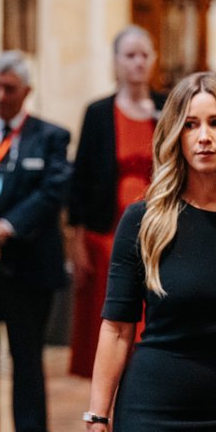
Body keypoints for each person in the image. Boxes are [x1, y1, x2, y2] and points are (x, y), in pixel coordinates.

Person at [83, 72, 216, 432]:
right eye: (190, 124)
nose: (204, 137)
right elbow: (116, 328)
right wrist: (97, 427)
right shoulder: (143, 222)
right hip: (155, 420)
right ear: (174, 135)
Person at [68, 25, 166, 377]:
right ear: (116, 62)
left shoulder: (165, 107)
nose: (138, 63)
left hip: (157, 229)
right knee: (108, 320)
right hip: (106, 233)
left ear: (154, 59)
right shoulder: (98, 112)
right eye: (130, 55)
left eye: (144, 55)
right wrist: (77, 243)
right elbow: (80, 181)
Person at [0, 51, 70, 432]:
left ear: (27, 92)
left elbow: (51, 193)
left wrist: (1, 230)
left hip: (28, 268)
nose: (1, 96)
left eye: (9, 89)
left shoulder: (50, 136)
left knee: (27, 358)